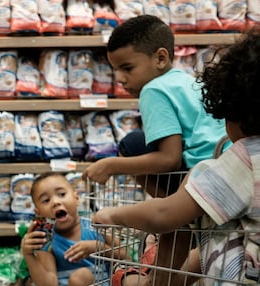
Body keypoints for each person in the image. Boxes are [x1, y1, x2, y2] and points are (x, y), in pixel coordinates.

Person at [92, 27, 260, 286]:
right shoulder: (183, 81)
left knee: (209, 208)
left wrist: (111, 214)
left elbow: (163, 214)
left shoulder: (242, 159)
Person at [82, 15, 227, 197]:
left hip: (200, 179)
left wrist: (110, 165)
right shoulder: (187, 80)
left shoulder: (153, 90)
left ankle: (173, 216)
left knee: (131, 144)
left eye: (127, 68)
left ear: (160, 58)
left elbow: (169, 159)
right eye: (116, 70)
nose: (119, 79)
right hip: (226, 168)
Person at [22, 172, 150, 286]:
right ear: (38, 212)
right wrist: (28, 254)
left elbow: (125, 257)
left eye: (61, 194)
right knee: (81, 277)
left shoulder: (94, 225)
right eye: (45, 200)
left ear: (76, 197)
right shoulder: (48, 240)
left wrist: (96, 247)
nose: (56, 202)